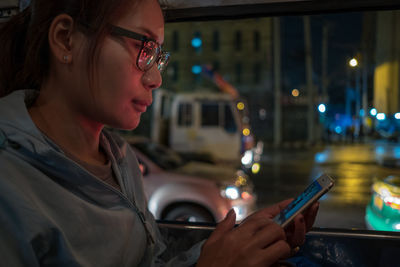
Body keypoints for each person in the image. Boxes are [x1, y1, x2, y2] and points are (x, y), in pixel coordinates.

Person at [0, 0, 319, 266]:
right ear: (66, 40)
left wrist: (232, 249)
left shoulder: (121, 161)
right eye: (144, 48)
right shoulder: (11, 185)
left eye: (158, 57)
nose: (155, 78)